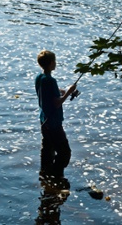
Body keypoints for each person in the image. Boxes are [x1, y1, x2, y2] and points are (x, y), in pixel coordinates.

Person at [35, 50, 76, 179]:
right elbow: (57, 103)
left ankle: (45, 176)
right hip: (53, 123)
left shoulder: (40, 78)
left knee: (47, 150)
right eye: (55, 61)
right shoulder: (51, 80)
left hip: (44, 120)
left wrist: (63, 91)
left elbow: (50, 92)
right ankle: (56, 175)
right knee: (64, 153)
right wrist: (69, 92)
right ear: (52, 63)